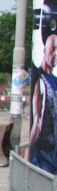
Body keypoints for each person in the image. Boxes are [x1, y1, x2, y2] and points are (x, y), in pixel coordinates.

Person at [29, 34, 57, 173]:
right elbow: (37, 120)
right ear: (45, 50)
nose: (55, 54)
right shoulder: (39, 79)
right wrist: (29, 154)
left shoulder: (55, 80)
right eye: (52, 49)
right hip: (43, 154)